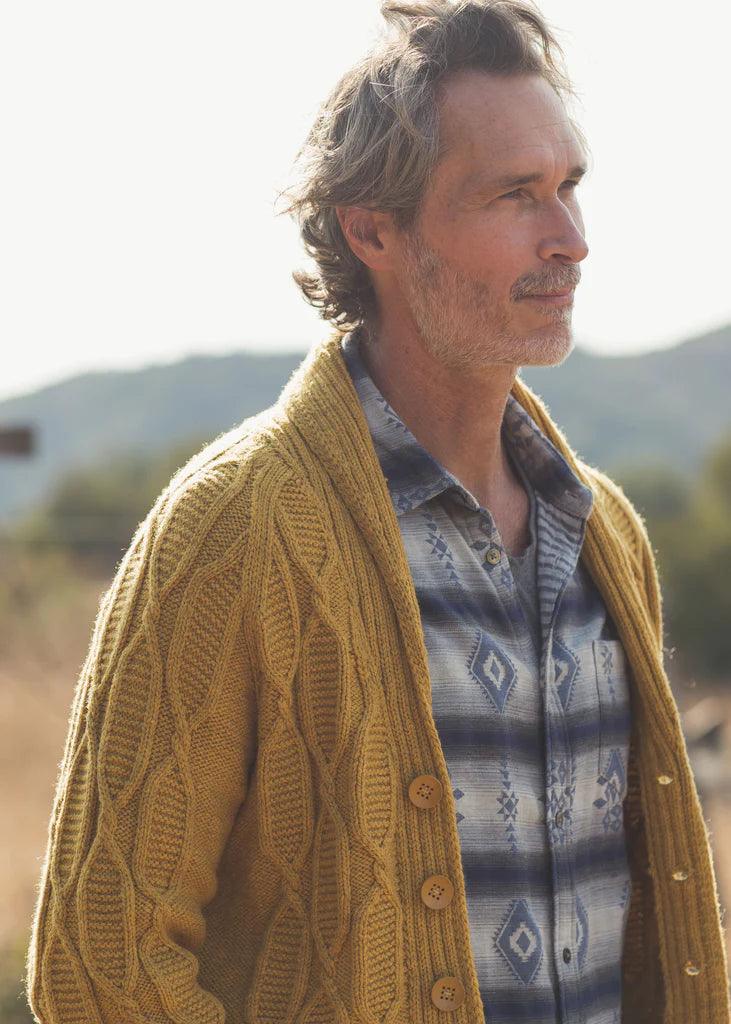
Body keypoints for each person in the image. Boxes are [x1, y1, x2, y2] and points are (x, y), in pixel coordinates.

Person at [26, 2, 729, 1022]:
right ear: (372, 229)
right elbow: (101, 967)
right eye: (513, 195)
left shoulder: (604, 533)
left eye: (568, 186)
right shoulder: (233, 526)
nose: (570, 240)